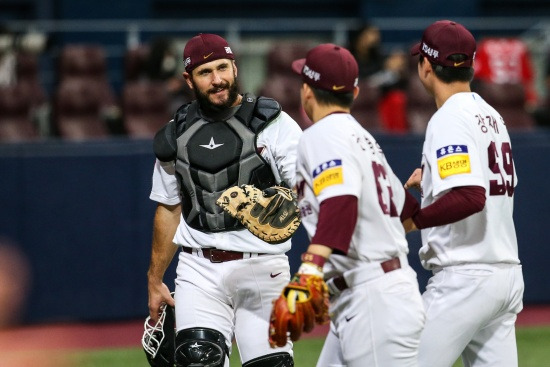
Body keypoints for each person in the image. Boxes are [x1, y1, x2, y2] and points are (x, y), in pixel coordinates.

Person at [146, 33, 302, 366]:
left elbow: (306, 191)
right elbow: (169, 207)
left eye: (223, 68)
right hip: (198, 268)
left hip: (263, 267)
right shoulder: (176, 135)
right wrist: (155, 279)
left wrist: (288, 206)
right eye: (205, 72)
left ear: (235, 67)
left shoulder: (273, 123)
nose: (217, 80)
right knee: (196, 359)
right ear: (188, 79)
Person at [274, 43, 425, 366]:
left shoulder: (323, 134)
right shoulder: (361, 138)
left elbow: (340, 202)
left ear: (307, 91)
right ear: (355, 92)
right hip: (376, 291)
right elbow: (409, 216)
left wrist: (310, 269)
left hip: (372, 299)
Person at [405, 20, 525, 367]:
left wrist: (415, 220)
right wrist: (432, 177)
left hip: (466, 277)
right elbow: (484, 178)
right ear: (470, 65)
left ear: (426, 65)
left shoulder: (448, 118)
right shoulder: (491, 114)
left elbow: (472, 196)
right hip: (504, 275)